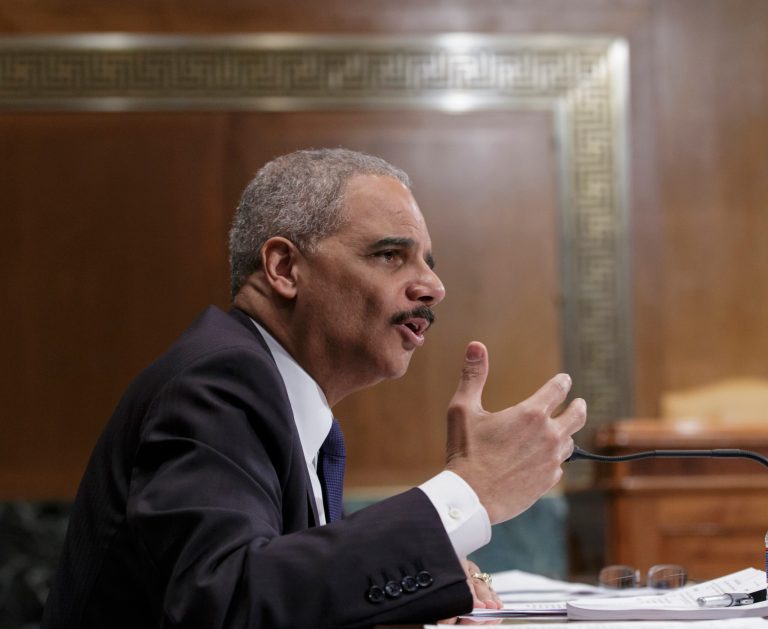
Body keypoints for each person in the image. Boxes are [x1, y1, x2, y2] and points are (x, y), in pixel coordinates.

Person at [42, 148, 587, 628]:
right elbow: (222, 602)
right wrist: (469, 491)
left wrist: (419, 579)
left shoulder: (278, 392)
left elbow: (283, 586)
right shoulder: (218, 382)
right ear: (283, 268)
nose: (433, 287)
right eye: (389, 255)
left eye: (427, 261)